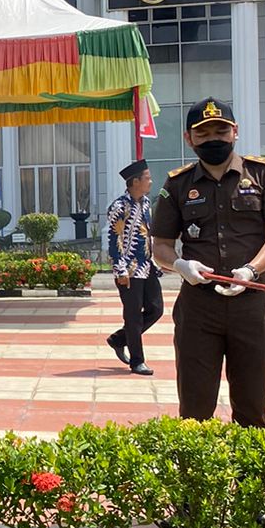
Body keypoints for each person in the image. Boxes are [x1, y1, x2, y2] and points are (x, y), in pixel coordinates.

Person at [151, 98, 265, 428]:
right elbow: (160, 245)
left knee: (251, 408)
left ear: (235, 133)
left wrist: (251, 270)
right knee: (194, 411)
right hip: (199, 311)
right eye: (204, 133)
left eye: (221, 130)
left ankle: (250, 479)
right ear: (189, 138)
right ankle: (197, 479)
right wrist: (181, 265)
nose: (214, 138)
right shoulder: (177, 184)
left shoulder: (264, 174)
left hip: (253, 308)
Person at [106, 158, 164, 377]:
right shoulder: (119, 207)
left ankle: (119, 339)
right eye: (147, 178)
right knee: (133, 316)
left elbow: (146, 235)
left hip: (146, 266)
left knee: (156, 309)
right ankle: (137, 361)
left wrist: (154, 262)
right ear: (135, 181)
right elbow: (114, 240)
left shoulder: (147, 203)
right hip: (128, 271)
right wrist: (120, 270)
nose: (151, 181)